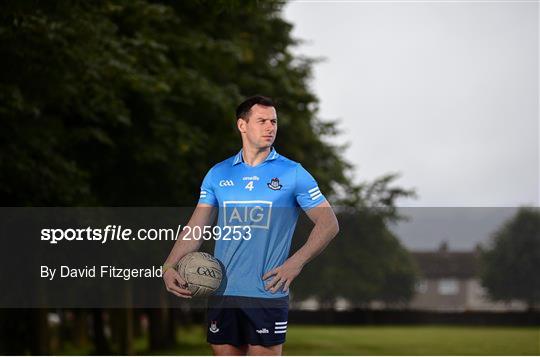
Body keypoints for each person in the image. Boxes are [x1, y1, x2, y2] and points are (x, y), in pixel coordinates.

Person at [163, 95, 339, 356]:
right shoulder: (218, 174)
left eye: (274, 121)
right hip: (221, 291)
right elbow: (196, 227)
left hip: (266, 292)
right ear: (242, 125)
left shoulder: (293, 173)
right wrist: (168, 266)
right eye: (262, 121)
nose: (270, 127)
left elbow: (328, 223)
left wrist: (296, 262)